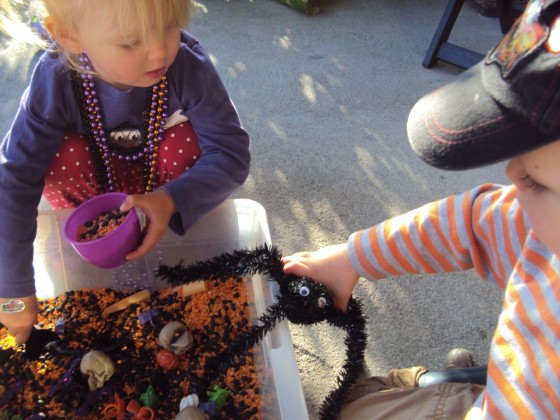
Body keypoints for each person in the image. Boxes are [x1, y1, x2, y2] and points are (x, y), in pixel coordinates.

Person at [283, 0, 560, 417]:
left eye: (536, 183)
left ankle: (449, 388)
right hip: (508, 385)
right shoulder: (541, 234)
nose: (511, 172)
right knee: (361, 401)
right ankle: (454, 383)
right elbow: (471, 223)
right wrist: (352, 257)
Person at [0, 0, 250, 346]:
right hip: (89, 191)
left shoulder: (188, 65)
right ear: (69, 35)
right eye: (131, 42)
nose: (160, 51)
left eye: (169, 25)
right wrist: (12, 292)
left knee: (188, 141)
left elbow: (231, 153)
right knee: (58, 154)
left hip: (162, 192)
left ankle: (173, 232)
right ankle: (84, 248)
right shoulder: (55, 77)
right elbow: (13, 179)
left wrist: (171, 198)